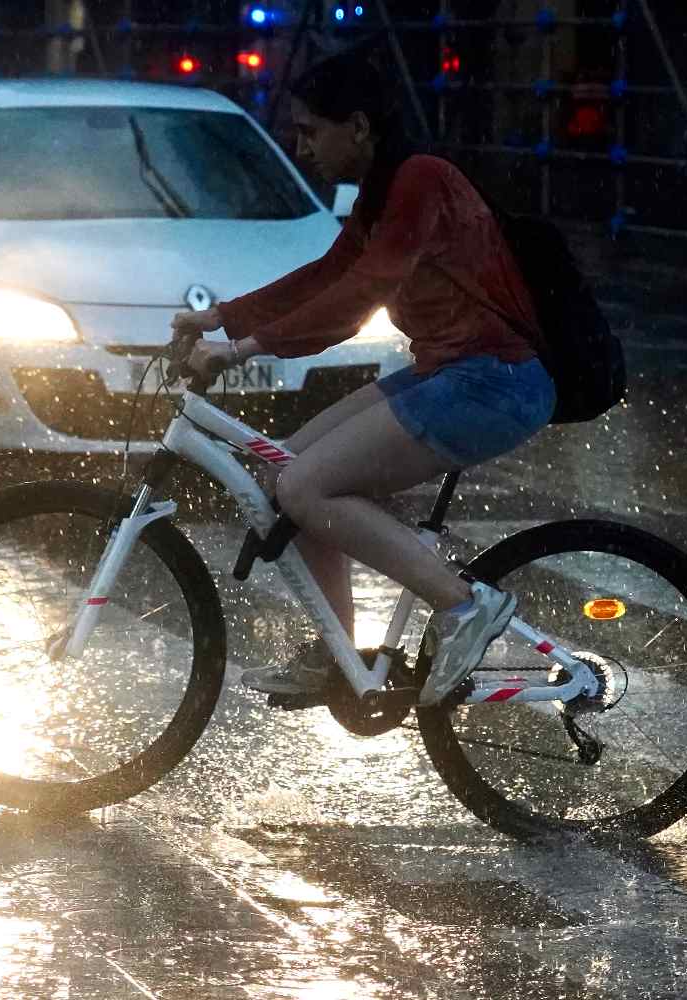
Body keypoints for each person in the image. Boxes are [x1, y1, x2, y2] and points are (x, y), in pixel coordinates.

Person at [171, 46, 555, 707]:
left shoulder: (420, 181)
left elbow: (358, 300)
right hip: (452, 373)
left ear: (357, 126)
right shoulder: (382, 194)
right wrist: (221, 319)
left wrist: (242, 351)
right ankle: (337, 653)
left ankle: (466, 607)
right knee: (283, 470)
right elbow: (328, 276)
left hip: (493, 383)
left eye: (309, 130)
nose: (302, 144)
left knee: (306, 485)